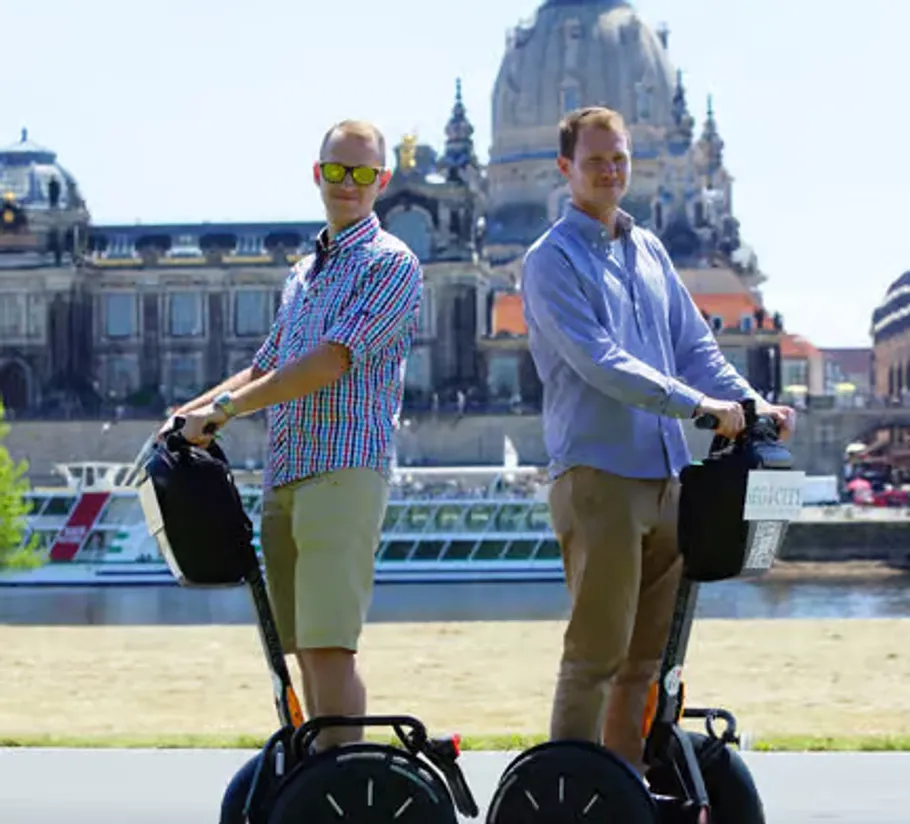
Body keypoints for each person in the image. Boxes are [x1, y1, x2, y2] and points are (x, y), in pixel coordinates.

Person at [519, 106, 796, 775]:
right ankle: (570, 792)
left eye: (618, 159)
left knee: (647, 660)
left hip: (667, 477)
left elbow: (695, 347)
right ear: (564, 168)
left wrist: (751, 403)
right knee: (595, 655)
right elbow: (601, 361)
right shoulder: (549, 260)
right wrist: (699, 406)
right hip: (599, 476)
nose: (609, 171)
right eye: (595, 161)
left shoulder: (648, 249)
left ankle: (626, 788)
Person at [158, 119, 423, 760]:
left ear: (382, 181)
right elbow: (267, 365)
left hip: (343, 469)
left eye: (361, 174)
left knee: (331, 646)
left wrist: (221, 411)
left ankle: (343, 781)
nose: (347, 184)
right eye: (336, 171)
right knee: (302, 647)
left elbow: (331, 360)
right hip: (288, 471)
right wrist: (184, 413)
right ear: (317, 174)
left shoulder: (392, 263)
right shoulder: (303, 273)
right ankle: (320, 774)